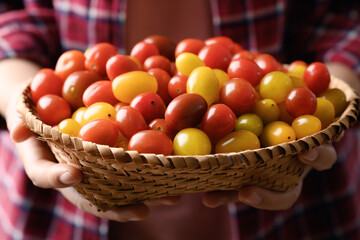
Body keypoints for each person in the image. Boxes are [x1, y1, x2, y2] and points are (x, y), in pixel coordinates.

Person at [0, 0, 359, 239]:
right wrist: (17, 92)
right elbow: (12, 12)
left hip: (289, 213)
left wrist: (326, 112)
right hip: (63, 214)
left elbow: (342, 18)